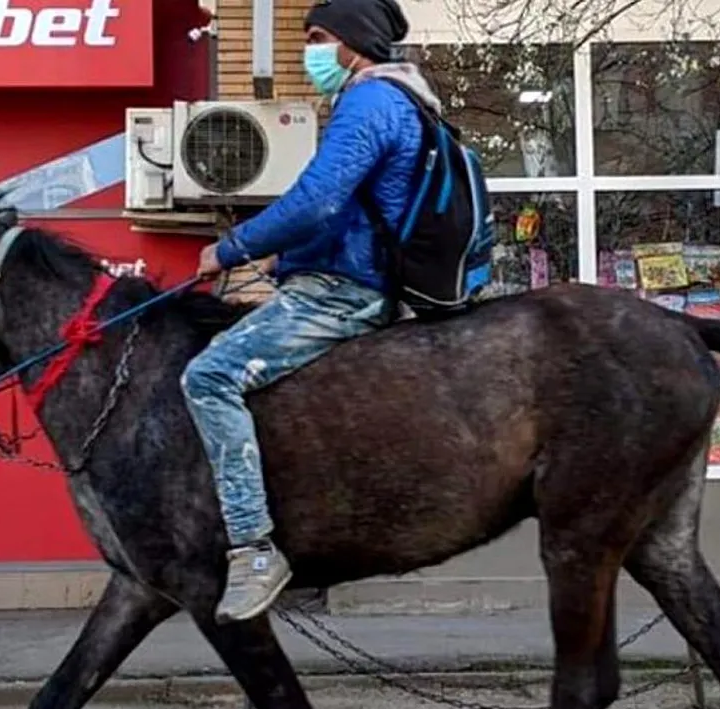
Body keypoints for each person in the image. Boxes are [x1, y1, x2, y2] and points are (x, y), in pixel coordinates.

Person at [180, 0, 447, 624]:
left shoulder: (370, 101)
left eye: (320, 37)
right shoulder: (395, 99)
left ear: (353, 43)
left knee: (210, 376)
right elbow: (356, 210)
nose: (313, 51)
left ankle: (252, 547)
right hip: (337, 275)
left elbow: (318, 201)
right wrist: (279, 263)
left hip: (342, 293)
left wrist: (231, 247)